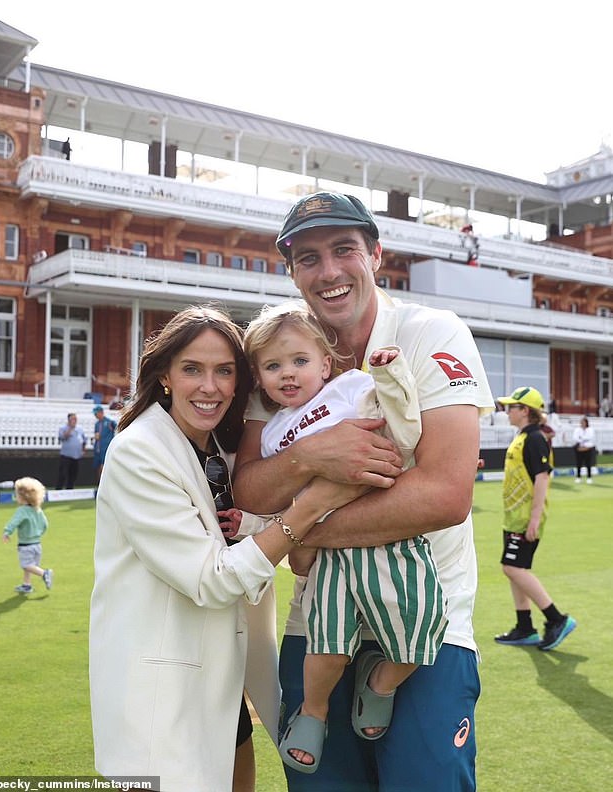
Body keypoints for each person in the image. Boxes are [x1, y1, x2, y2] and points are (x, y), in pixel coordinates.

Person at [233, 191, 495, 792]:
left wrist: (294, 531)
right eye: (307, 258)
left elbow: (445, 495)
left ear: (375, 254)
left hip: (427, 618)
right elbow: (249, 487)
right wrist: (312, 455)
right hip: (318, 621)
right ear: (292, 272)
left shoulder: (431, 332)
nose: (327, 272)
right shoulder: (278, 351)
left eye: (343, 249)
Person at [89, 305, 365, 792]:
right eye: (192, 369)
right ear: (166, 377)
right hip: (163, 690)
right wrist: (308, 509)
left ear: (242, 382)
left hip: (223, 683)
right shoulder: (139, 450)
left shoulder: (222, 450)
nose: (209, 386)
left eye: (224, 371)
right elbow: (212, 579)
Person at [222, 302, 446, 773]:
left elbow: (400, 420)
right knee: (327, 641)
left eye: (300, 361)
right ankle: (314, 711)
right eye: (273, 366)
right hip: (325, 559)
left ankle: (381, 683)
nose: (288, 374)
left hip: (386, 539)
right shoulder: (272, 436)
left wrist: (389, 377)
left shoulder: (349, 388)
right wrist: (247, 524)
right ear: (259, 379)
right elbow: (276, 507)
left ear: (326, 363)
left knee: (422, 624)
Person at [494, 386, 577, 651]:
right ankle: (524, 627)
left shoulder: (535, 439)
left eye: (512, 407)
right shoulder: (522, 437)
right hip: (514, 518)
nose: (507, 412)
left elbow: (542, 478)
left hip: (525, 519)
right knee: (515, 571)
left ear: (525, 411)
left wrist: (534, 519)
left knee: (512, 568)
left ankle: (557, 619)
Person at [2, 476, 53, 594]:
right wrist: (38, 533)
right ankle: (27, 585)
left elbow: (13, 522)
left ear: (21, 497)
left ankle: (44, 573)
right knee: (30, 565)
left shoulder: (22, 511)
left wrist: (7, 532)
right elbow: (45, 524)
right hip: (37, 544)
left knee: (26, 565)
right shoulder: (37, 509)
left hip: (26, 545)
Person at [56, 412, 87, 489]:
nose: (74, 420)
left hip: (76, 455)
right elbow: (62, 437)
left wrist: (83, 449)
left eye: (75, 419)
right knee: (63, 473)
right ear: (69, 420)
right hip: (66, 455)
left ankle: (70, 488)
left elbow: (83, 440)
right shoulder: (63, 428)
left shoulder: (80, 429)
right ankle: (59, 488)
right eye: (72, 419)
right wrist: (70, 428)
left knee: (73, 474)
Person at [92, 405, 117, 485]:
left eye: (96, 413)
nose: (95, 415)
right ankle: (99, 485)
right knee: (98, 468)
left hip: (105, 448)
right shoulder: (96, 424)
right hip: (98, 449)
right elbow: (97, 435)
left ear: (101, 412)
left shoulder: (109, 422)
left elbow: (117, 427)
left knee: (103, 467)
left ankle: (105, 485)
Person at [572, 416, 596, 483]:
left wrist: (582, 438)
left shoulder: (590, 429)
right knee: (578, 463)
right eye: (581, 422)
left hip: (588, 448)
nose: (582, 423)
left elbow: (590, 438)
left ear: (586, 423)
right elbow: (575, 438)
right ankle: (578, 477)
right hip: (579, 448)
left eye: (583, 422)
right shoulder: (577, 429)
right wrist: (582, 439)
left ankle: (589, 477)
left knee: (588, 463)